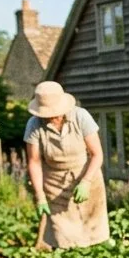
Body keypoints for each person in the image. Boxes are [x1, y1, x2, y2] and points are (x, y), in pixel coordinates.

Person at [24, 81, 110, 248]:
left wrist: (86, 182)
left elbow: (97, 154)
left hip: (86, 173)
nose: (50, 116)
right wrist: (40, 195)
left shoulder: (81, 116)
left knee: (93, 226)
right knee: (61, 232)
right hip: (54, 181)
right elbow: (34, 161)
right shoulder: (34, 125)